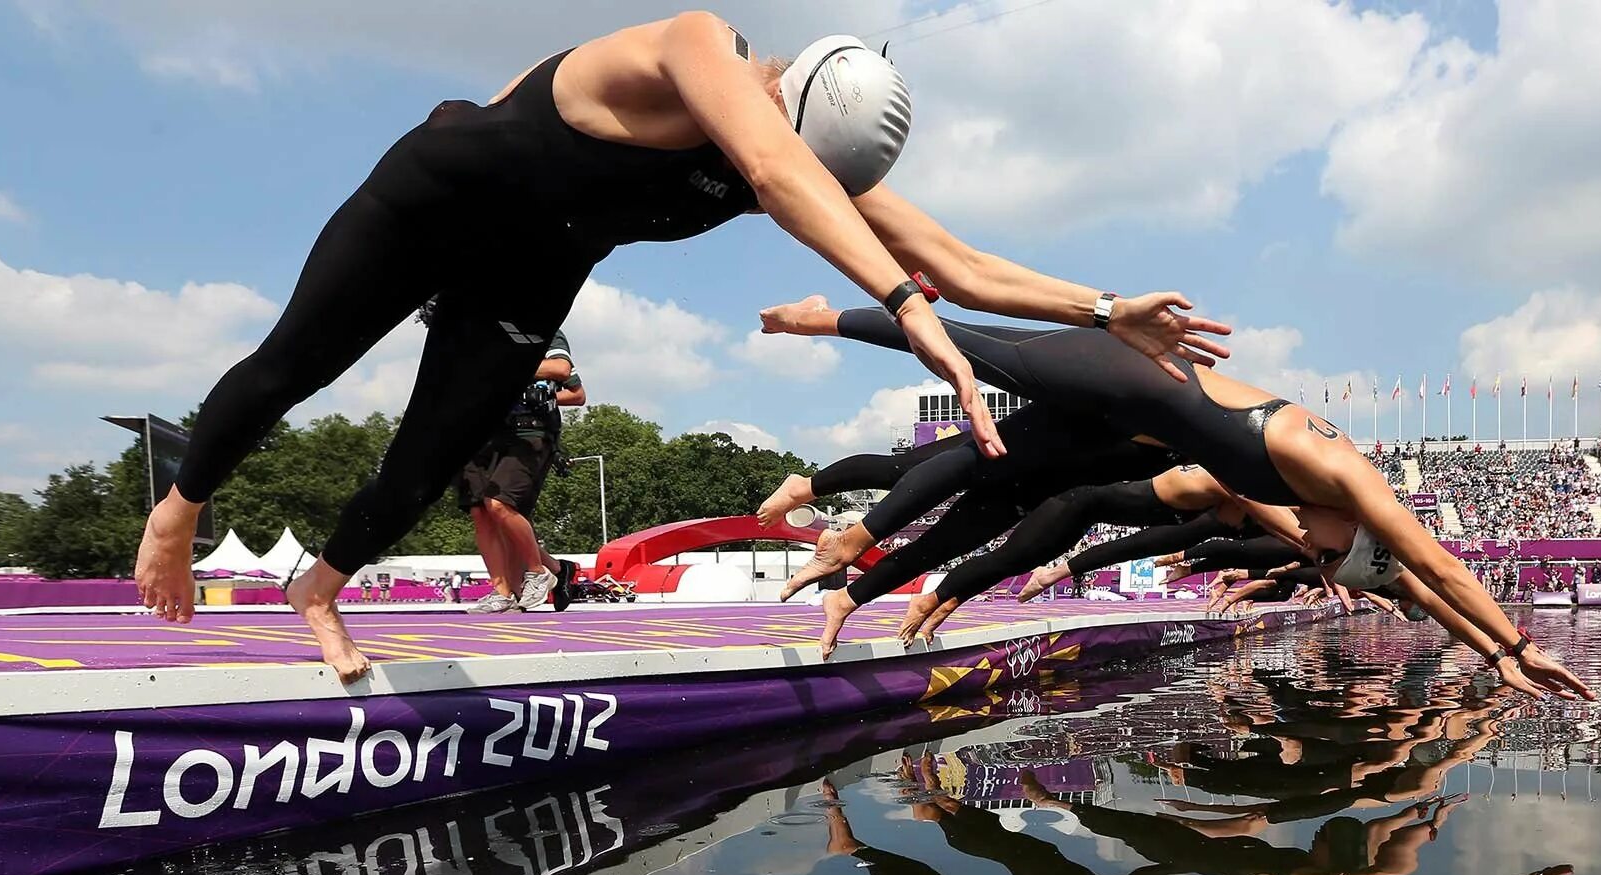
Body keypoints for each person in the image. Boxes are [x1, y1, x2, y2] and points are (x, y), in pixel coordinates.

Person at [132, 14, 1230, 680]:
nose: (805, 185)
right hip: (434, 195)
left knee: (432, 458)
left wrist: (1104, 306)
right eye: (805, 164)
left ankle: (317, 590)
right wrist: (907, 307)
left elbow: (957, 253)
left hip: (528, 274)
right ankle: (180, 504)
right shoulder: (702, 51)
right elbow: (778, 178)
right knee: (299, 364)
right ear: (784, 98)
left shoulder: (805, 164)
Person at [757, 298, 1593, 700]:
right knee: (973, 351)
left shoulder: (1313, 511)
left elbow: (1424, 589)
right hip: (1128, 378)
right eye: (1327, 550)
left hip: (1130, 435)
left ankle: (852, 592)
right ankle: (826, 319)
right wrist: (1514, 638)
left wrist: (1502, 657)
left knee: (996, 484)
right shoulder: (1341, 476)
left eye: (1320, 558)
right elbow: (1438, 565)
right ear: (1362, 528)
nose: (1311, 547)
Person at [453, 320, 586, 614]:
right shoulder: (469, 332)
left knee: (500, 507)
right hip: (478, 434)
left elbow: (569, 381)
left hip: (527, 433)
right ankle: (507, 590)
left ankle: (540, 572)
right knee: (481, 511)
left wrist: (512, 373)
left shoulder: (538, 330)